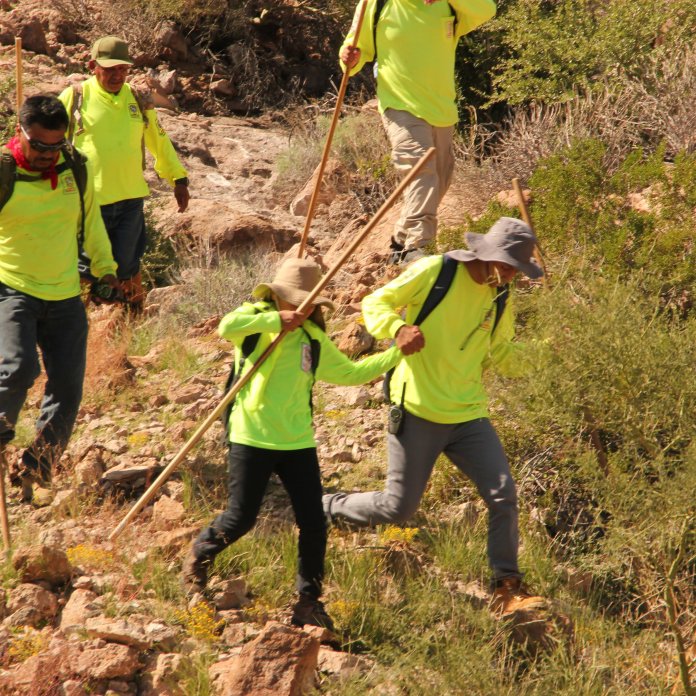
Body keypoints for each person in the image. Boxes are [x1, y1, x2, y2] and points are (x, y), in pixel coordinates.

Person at [323, 218, 547, 614]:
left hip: (468, 414)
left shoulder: (500, 295)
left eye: (517, 269)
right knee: (399, 508)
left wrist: (550, 354)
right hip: (418, 409)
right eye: (510, 266)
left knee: (503, 495)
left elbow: (502, 355)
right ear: (490, 256)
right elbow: (375, 302)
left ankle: (506, 585)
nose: (513, 276)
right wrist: (397, 328)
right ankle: (325, 507)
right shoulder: (437, 271)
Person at [181, 258, 402, 629]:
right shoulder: (256, 315)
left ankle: (308, 602)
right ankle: (198, 561)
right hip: (251, 435)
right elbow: (225, 327)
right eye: (297, 301)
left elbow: (351, 373)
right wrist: (274, 321)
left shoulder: (312, 339)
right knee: (241, 518)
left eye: (309, 303)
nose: (303, 308)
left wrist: (398, 351)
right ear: (279, 295)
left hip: (297, 441)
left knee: (314, 522)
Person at [0, 95, 118, 502]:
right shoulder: (4, 172)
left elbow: (91, 222)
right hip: (11, 287)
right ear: (21, 133)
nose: (49, 154)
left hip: (65, 294)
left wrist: (105, 270)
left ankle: (37, 466)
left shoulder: (75, 167)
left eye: (56, 145)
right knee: (17, 369)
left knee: (67, 388)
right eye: (39, 144)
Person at [340, 0, 496, 264]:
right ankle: (418, 248)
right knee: (420, 168)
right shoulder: (376, 4)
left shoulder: (450, 6)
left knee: (440, 180)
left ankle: (400, 244)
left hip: (441, 108)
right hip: (399, 104)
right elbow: (355, 51)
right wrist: (349, 59)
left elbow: (487, 9)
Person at [58, 35, 190, 310]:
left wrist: (178, 178)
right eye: (109, 69)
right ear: (93, 65)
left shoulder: (138, 99)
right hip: (89, 202)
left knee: (127, 264)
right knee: (87, 267)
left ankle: (126, 323)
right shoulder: (75, 97)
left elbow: (158, 139)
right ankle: (82, 323)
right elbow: (47, 140)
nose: (117, 75)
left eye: (123, 69)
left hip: (130, 200)